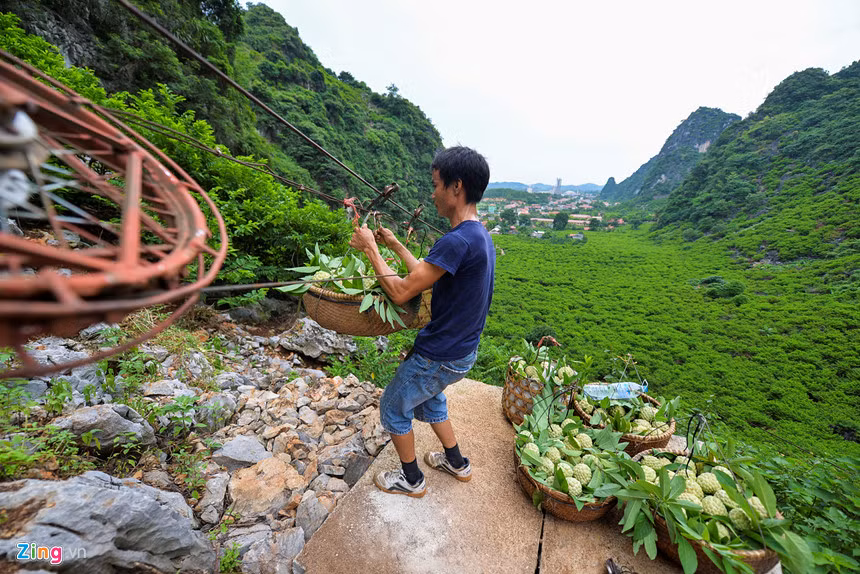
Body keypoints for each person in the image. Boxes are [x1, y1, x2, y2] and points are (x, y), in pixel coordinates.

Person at [348, 146, 495, 497]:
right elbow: (425, 274)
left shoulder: (457, 240)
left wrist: (369, 248)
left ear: (455, 187)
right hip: (461, 353)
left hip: (438, 353)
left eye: (436, 185)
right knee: (430, 401)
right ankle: (457, 462)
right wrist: (396, 245)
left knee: (393, 408)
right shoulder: (478, 235)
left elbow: (400, 292)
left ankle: (411, 480)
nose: (432, 194)